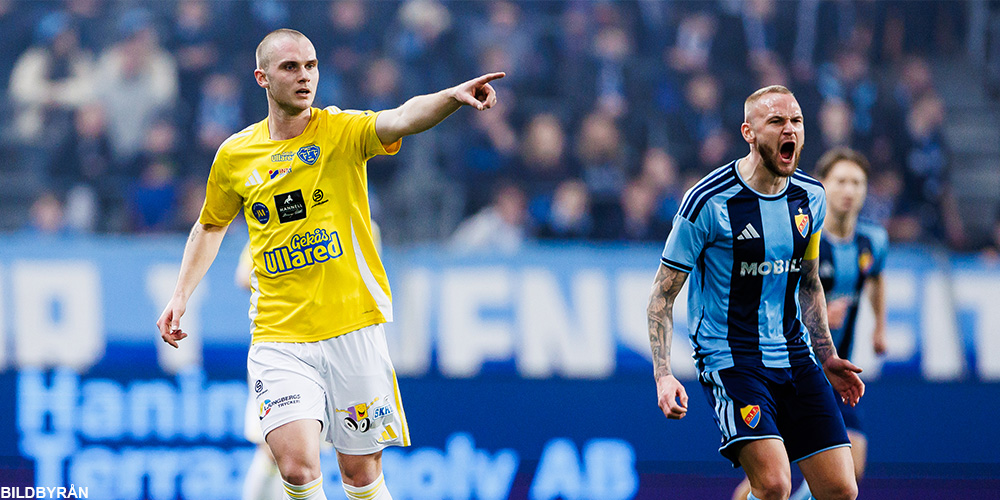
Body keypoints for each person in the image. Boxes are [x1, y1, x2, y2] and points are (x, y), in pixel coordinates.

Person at [156, 28, 503, 500]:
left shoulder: (341, 131)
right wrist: (180, 295)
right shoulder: (236, 155)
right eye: (290, 67)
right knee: (296, 468)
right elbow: (210, 226)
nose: (305, 76)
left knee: (360, 476)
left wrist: (450, 97)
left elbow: (402, 117)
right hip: (279, 336)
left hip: (352, 329)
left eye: (311, 66)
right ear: (262, 78)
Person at [647, 85, 865, 500]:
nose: (790, 129)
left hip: (795, 355)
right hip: (732, 360)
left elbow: (808, 281)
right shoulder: (707, 201)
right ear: (749, 132)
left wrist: (827, 355)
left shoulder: (811, 197)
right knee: (774, 484)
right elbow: (662, 295)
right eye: (777, 121)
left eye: (796, 121)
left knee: (841, 488)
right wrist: (663, 375)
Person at [731, 147, 888, 500]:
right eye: (841, 181)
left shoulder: (873, 241)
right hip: (794, 367)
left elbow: (877, 277)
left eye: (857, 183)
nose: (849, 190)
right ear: (822, 185)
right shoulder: (801, 236)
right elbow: (772, 292)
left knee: (850, 470)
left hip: (835, 368)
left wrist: (880, 326)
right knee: (773, 477)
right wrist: (816, 317)